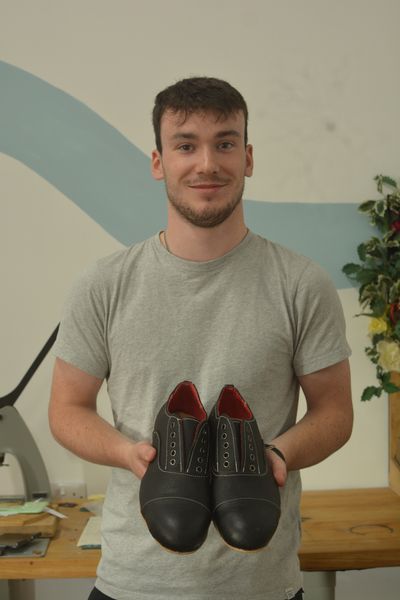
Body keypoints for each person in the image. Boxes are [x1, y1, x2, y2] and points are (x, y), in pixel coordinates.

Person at [49, 76, 353, 600]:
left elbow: (335, 412)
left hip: (263, 586)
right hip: (132, 583)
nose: (207, 164)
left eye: (225, 143)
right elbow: (67, 409)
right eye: (186, 145)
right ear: (158, 161)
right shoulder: (103, 284)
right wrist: (128, 455)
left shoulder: (302, 283)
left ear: (248, 157)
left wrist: (275, 456)